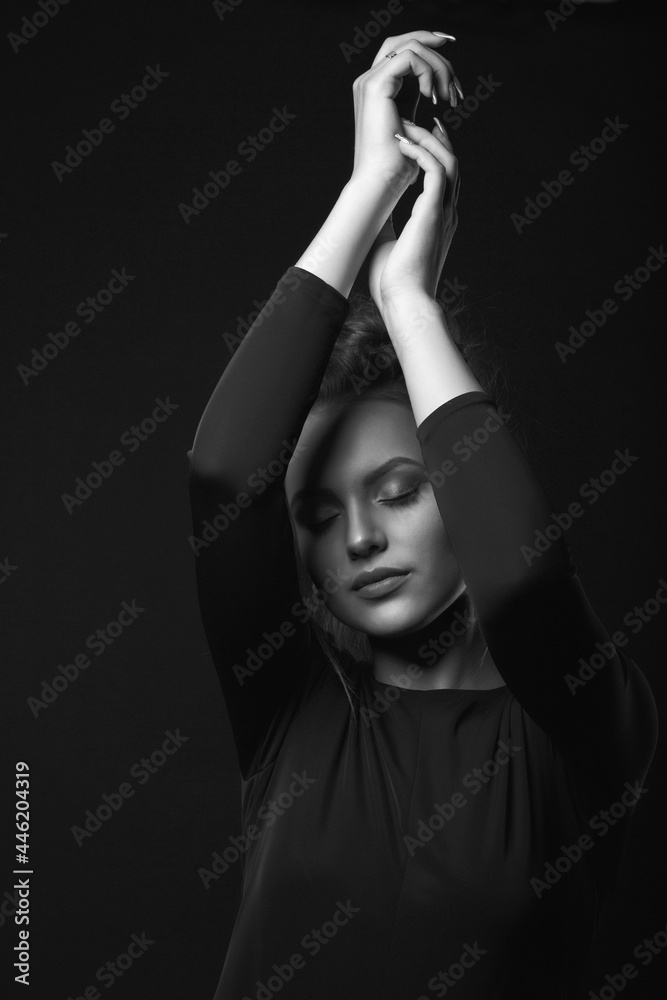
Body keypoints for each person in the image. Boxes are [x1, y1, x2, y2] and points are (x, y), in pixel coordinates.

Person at [187, 29, 658, 1000]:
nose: (359, 535)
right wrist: (364, 195)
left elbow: (525, 584)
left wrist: (408, 302)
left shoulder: (579, 734)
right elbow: (225, 469)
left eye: (401, 490)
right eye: (319, 514)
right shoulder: (292, 719)